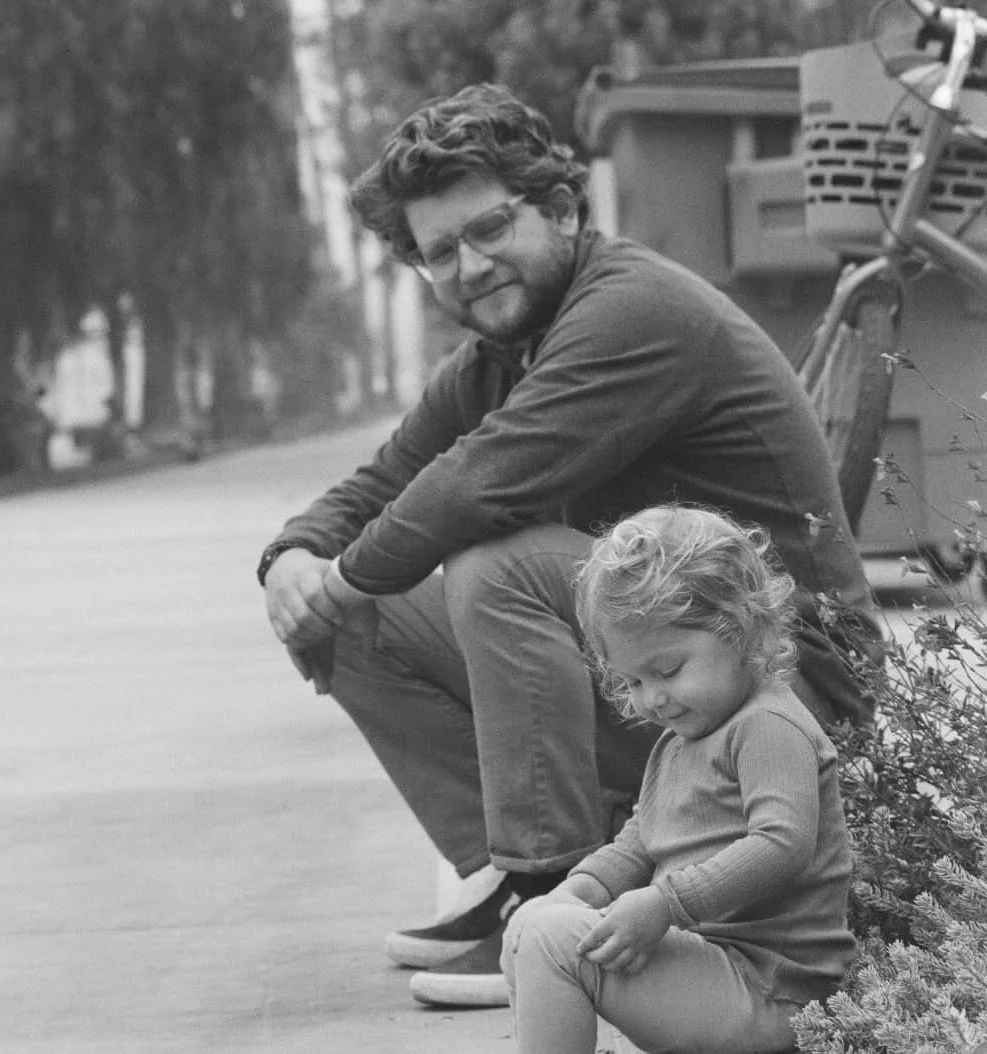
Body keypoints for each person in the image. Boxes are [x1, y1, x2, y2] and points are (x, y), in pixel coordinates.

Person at [256, 82, 878, 1008]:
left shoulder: (632, 309)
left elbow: (476, 484)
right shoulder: (498, 357)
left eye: (489, 229)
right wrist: (292, 563)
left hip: (791, 691)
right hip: (674, 674)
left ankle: (550, 897)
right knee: (353, 618)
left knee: (493, 566)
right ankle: (521, 883)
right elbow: (388, 481)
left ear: (558, 207)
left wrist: (337, 578)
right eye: (439, 254)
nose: (469, 265)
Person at [501, 504, 855, 1053]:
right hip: (713, 972)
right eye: (633, 681)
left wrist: (665, 905)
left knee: (550, 941)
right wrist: (579, 890)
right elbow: (641, 841)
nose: (653, 698)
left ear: (742, 630)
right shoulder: (683, 741)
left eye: (667, 671)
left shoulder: (767, 725)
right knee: (533, 923)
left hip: (771, 992)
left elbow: (782, 844)